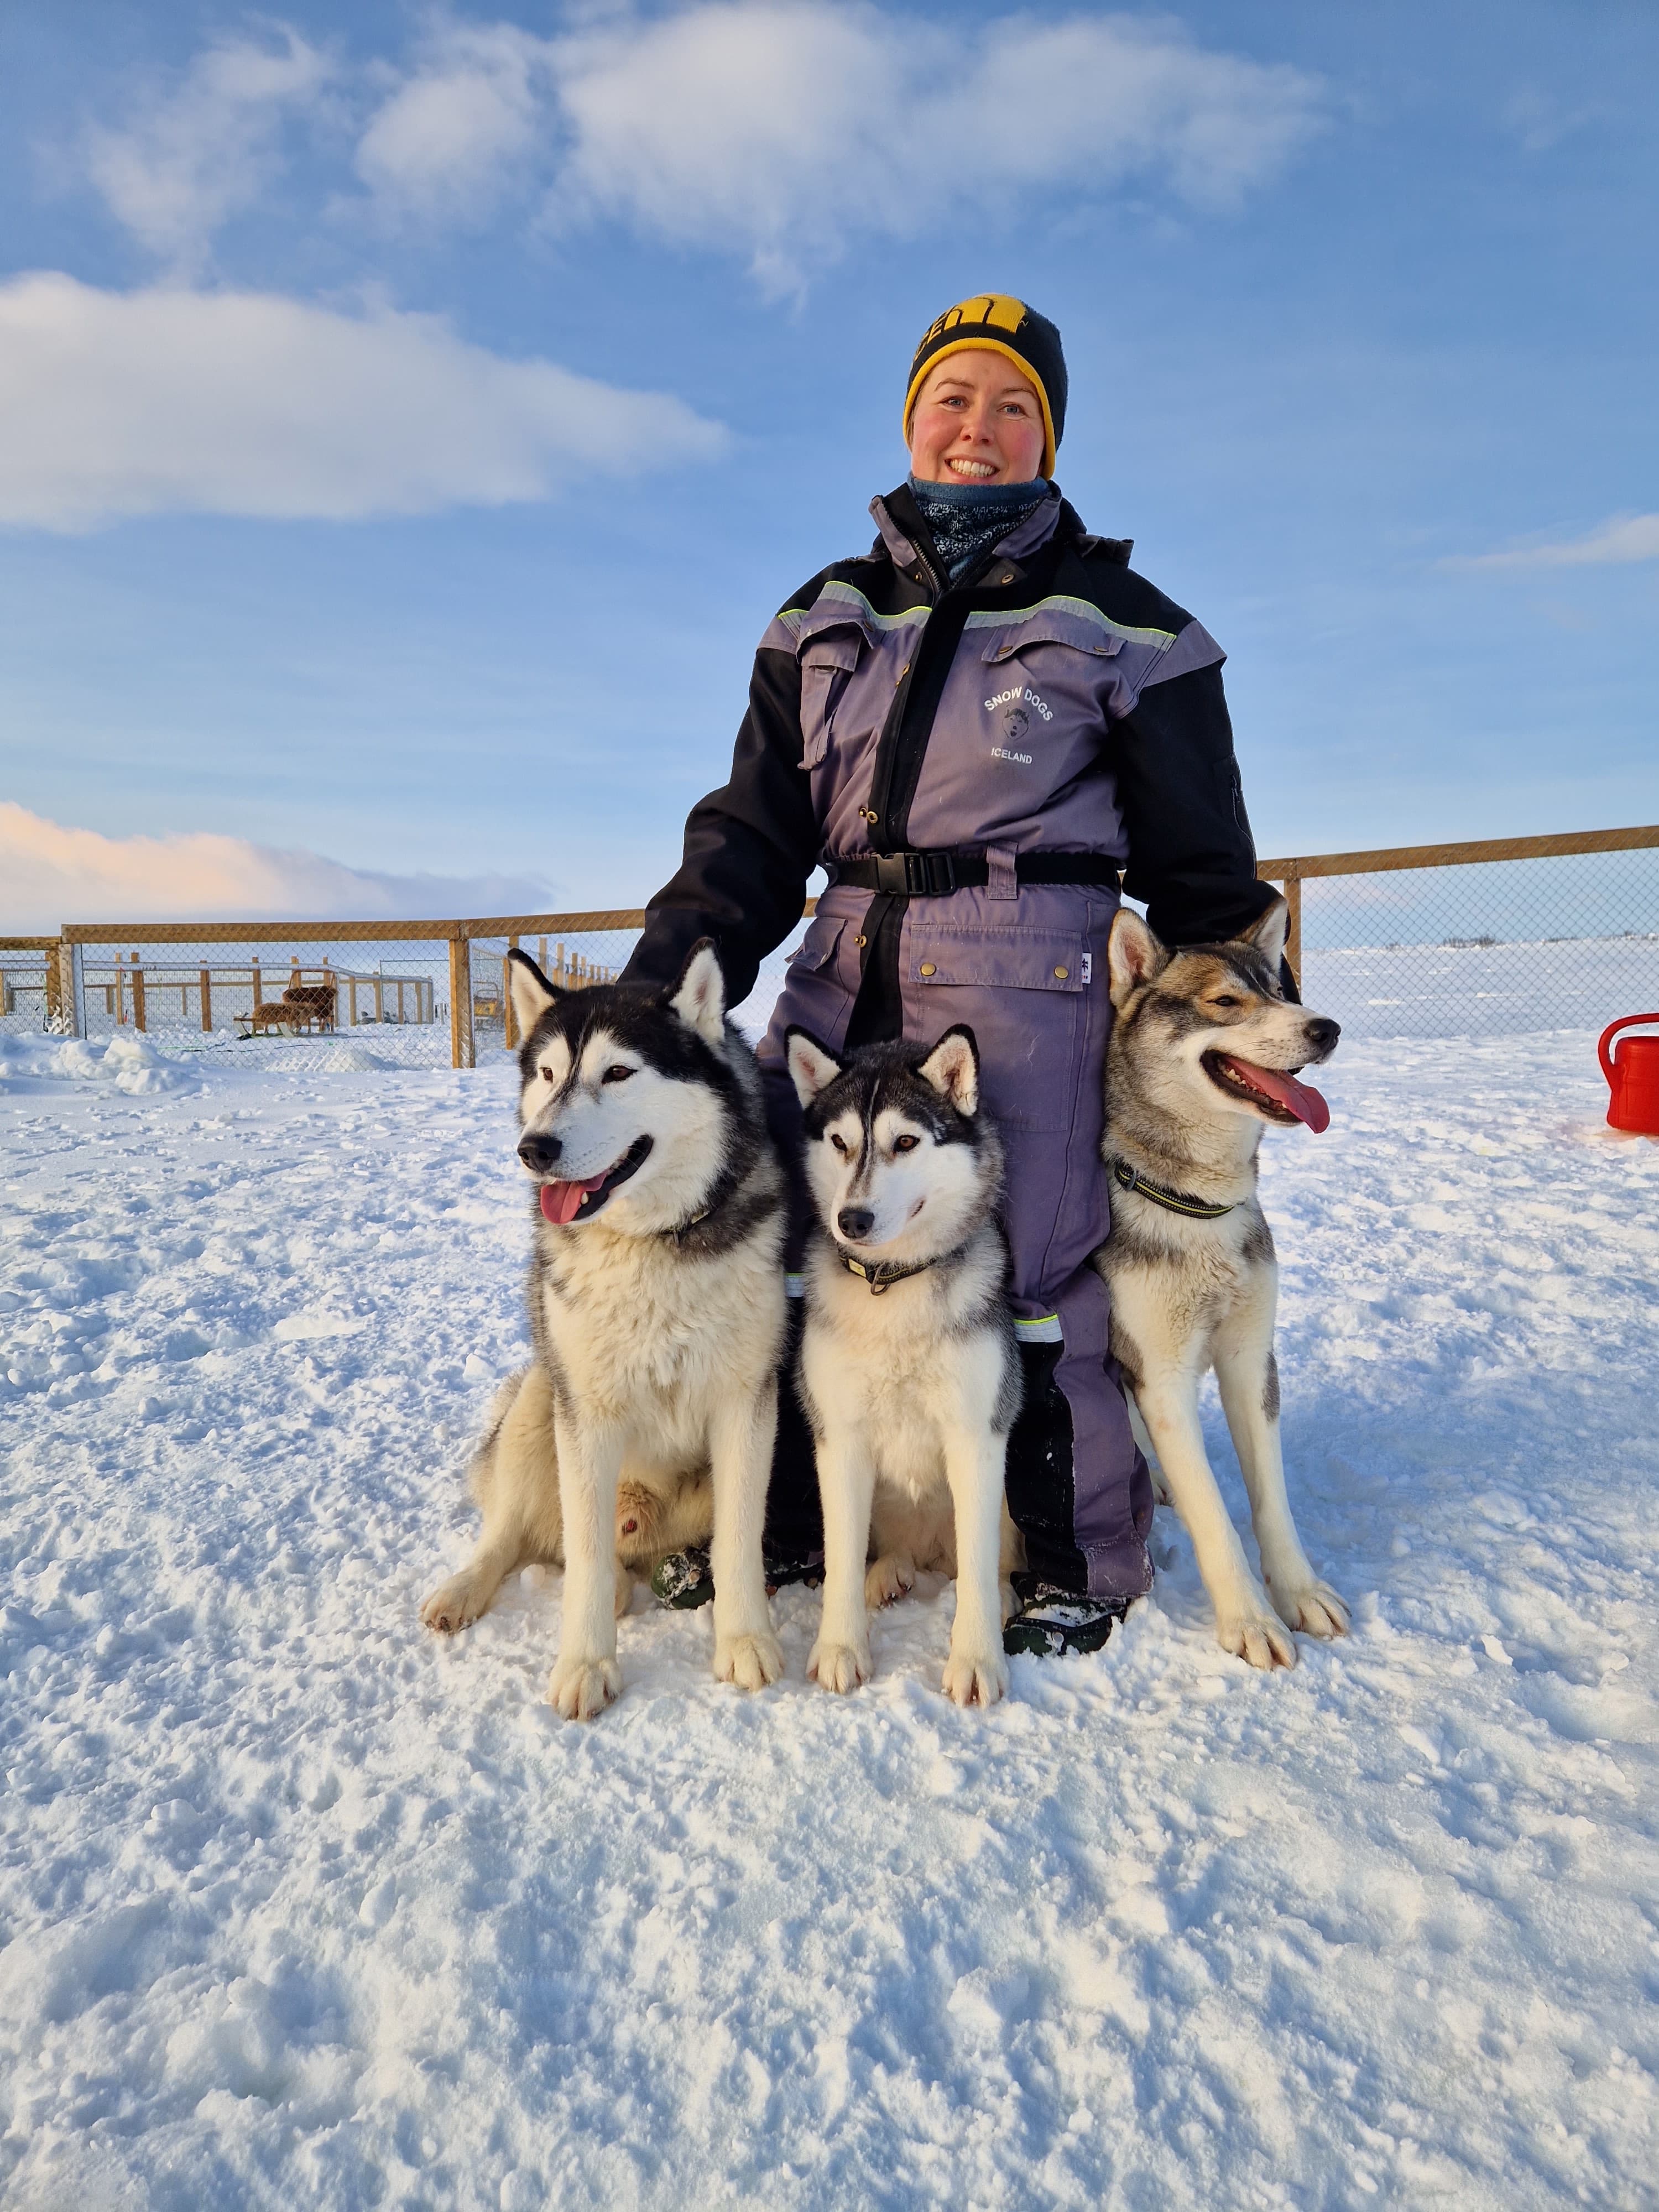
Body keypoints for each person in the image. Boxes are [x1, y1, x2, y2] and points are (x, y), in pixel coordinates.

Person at [622, 294, 1282, 1655]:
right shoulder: (825, 611)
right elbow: (753, 828)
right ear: (911, 417)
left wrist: (1241, 1021)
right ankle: (799, 1521)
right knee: (802, 1241)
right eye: (953, 398)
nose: (976, 427)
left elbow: (1205, 864)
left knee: (1034, 1263)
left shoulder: (1128, 621)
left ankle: (1076, 1549)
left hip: (1024, 975)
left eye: (1012, 406)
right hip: (843, 959)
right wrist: (659, 983)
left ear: (1048, 436)